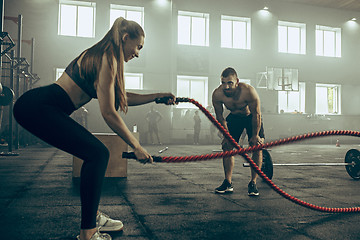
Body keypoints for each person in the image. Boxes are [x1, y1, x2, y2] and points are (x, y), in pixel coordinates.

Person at [13, 17, 176, 240]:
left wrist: (156, 96)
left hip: (39, 106)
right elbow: (109, 112)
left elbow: (120, 98)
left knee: (95, 154)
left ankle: (93, 216)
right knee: (98, 153)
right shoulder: (108, 58)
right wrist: (136, 145)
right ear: (126, 38)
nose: (137, 53)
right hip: (39, 107)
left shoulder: (105, 55)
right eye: (138, 47)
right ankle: (88, 233)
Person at [212, 67, 265, 196]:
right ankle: (228, 182)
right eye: (223, 83)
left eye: (230, 82)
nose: (226, 87)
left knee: (256, 146)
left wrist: (255, 135)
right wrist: (226, 134)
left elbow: (256, 114)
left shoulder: (248, 91)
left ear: (237, 81)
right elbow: (220, 117)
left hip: (251, 117)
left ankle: (253, 182)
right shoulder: (217, 94)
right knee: (226, 146)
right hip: (234, 117)